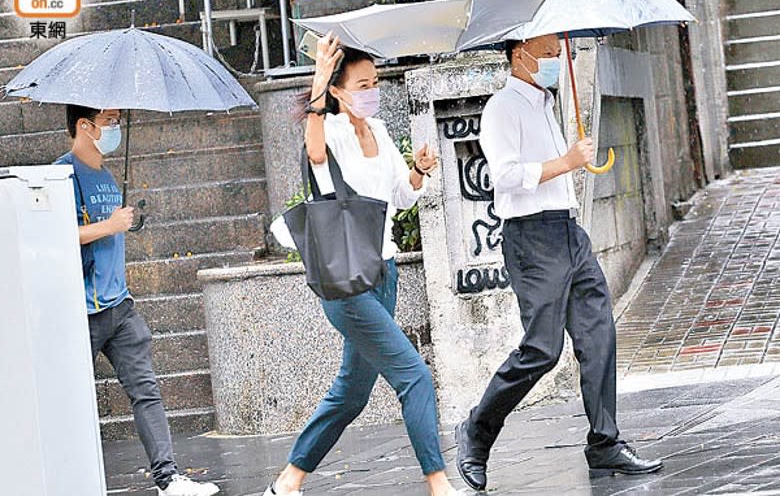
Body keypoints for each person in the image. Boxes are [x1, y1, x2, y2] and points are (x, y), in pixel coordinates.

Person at [454, 34, 664, 491]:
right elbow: (505, 177)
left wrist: (571, 162)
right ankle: (476, 431)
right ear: (518, 55)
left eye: (559, 53)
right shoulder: (502, 109)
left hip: (568, 232)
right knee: (542, 350)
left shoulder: (545, 103)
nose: (555, 60)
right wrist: (566, 161)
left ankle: (604, 442)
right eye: (547, 53)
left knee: (598, 331)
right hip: (531, 238)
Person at [264, 33, 460, 496]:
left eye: (375, 82)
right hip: (345, 283)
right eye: (361, 83)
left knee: (351, 392)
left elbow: (401, 195)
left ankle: (288, 482)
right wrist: (317, 78)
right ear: (337, 91)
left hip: (382, 274)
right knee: (414, 375)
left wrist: (420, 170)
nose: (371, 90)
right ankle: (438, 483)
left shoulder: (381, 132)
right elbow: (314, 152)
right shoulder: (328, 131)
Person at [55, 105, 220, 496]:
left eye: (117, 120)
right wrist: (108, 225)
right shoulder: (62, 174)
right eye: (109, 121)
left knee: (146, 390)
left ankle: (168, 478)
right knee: (66, 399)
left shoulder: (108, 176)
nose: (116, 128)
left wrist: (118, 224)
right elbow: (53, 235)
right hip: (81, 311)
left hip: (120, 308)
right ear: (84, 125)